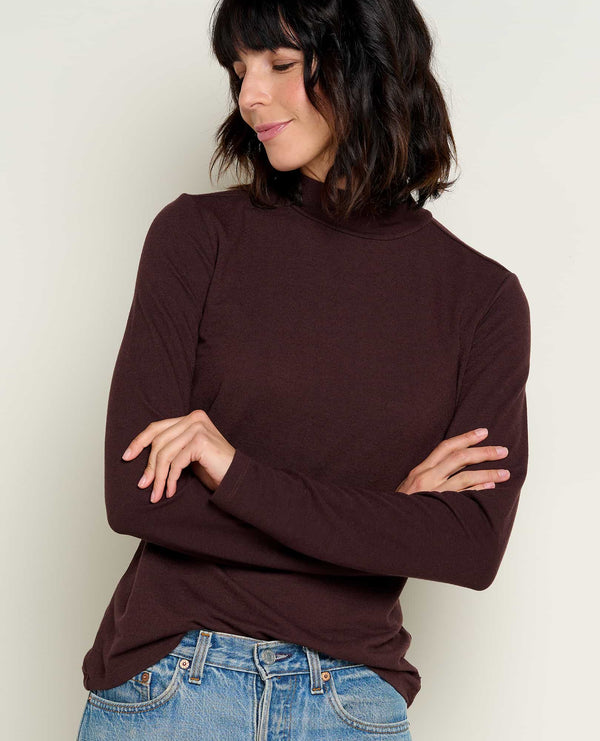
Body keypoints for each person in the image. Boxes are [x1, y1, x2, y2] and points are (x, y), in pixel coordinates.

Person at [77, 1, 531, 739]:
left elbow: (469, 547)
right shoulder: (196, 237)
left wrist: (232, 474)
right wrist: (387, 516)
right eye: (239, 71)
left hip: (352, 700)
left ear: (369, 66)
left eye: (281, 64)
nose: (249, 96)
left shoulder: (482, 300)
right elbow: (138, 499)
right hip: (176, 683)